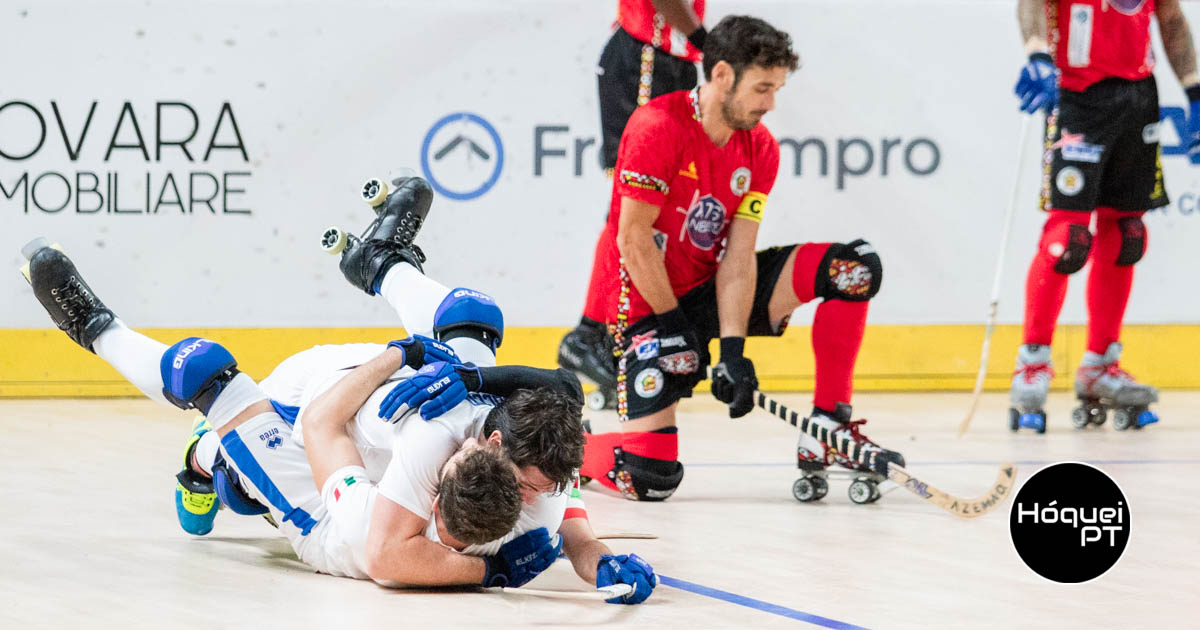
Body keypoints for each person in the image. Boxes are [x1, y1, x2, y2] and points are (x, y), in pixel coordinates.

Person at [555, 15, 906, 502]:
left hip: (709, 290)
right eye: (762, 88)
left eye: (776, 89)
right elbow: (632, 241)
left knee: (855, 270)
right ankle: (565, 448)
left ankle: (827, 428)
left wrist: (734, 351)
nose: (771, 103)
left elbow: (739, 256)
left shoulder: (760, 147)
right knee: (650, 477)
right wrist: (674, 325)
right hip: (645, 306)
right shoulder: (657, 126)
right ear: (721, 75)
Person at [1008, 0, 1198, 430]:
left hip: (1138, 98)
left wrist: (1194, 88)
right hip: (1077, 97)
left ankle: (1099, 364)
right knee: (1068, 239)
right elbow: (1032, 4)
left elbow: (1170, 18)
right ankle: (1032, 362)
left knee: (1128, 234)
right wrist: (1037, 53)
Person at [560, 1, 708, 408]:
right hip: (648, 57)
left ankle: (600, 331)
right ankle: (589, 333)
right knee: (632, 206)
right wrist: (703, 40)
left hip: (665, 58)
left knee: (646, 206)